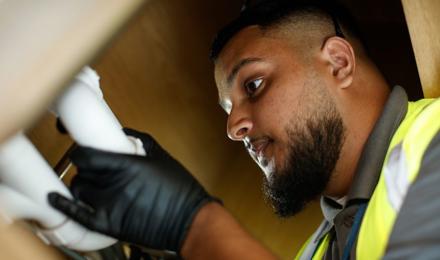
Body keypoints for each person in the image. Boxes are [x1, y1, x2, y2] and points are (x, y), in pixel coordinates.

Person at [48, 0, 440, 259]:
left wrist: (193, 224)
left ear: (338, 62)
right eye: (228, 109)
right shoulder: (316, 251)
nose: (234, 127)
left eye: (253, 85)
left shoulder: (433, 136)